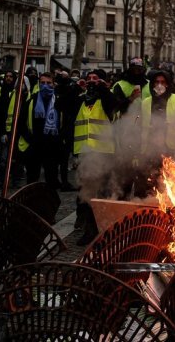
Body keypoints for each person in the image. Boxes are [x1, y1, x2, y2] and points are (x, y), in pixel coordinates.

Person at [73, 69, 117, 245]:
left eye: (95, 79)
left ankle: (105, 231)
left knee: (103, 194)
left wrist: (103, 88)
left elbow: (113, 105)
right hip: (84, 154)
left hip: (104, 153)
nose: (92, 82)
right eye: (88, 79)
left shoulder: (105, 99)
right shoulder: (81, 101)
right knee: (86, 195)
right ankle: (89, 231)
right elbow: (62, 104)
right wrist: (74, 86)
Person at [18, 72, 63, 186]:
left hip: (52, 146)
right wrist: (30, 139)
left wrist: (59, 140)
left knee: (51, 178)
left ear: (54, 84)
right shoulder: (31, 101)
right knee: (32, 179)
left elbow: (64, 123)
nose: (45, 86)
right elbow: (21, 123)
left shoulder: (59, 101)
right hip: (34, 145)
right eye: (42, 83)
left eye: (48, 83)